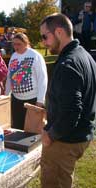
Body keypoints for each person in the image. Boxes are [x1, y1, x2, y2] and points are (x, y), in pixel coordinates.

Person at [40, 13, 96, 188]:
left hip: (65, 141)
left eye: (44, 36)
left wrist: (51, 134)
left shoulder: (69, 64)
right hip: (81, 135)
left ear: (58, 32)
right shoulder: (85, 56)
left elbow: (72, 111)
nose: (43, 42)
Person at [5, 33, 47, 130]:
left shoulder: (35, 56)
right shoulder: (13, 56)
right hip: (16, 100)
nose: (16, 47)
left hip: (32, 100)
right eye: (14, 44)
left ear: (26, 43)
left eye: (19, 44)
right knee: (16, 129)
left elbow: (43, 78)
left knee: (31, 131)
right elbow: (9, 77)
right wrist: (6, 96)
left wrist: (40, 100)